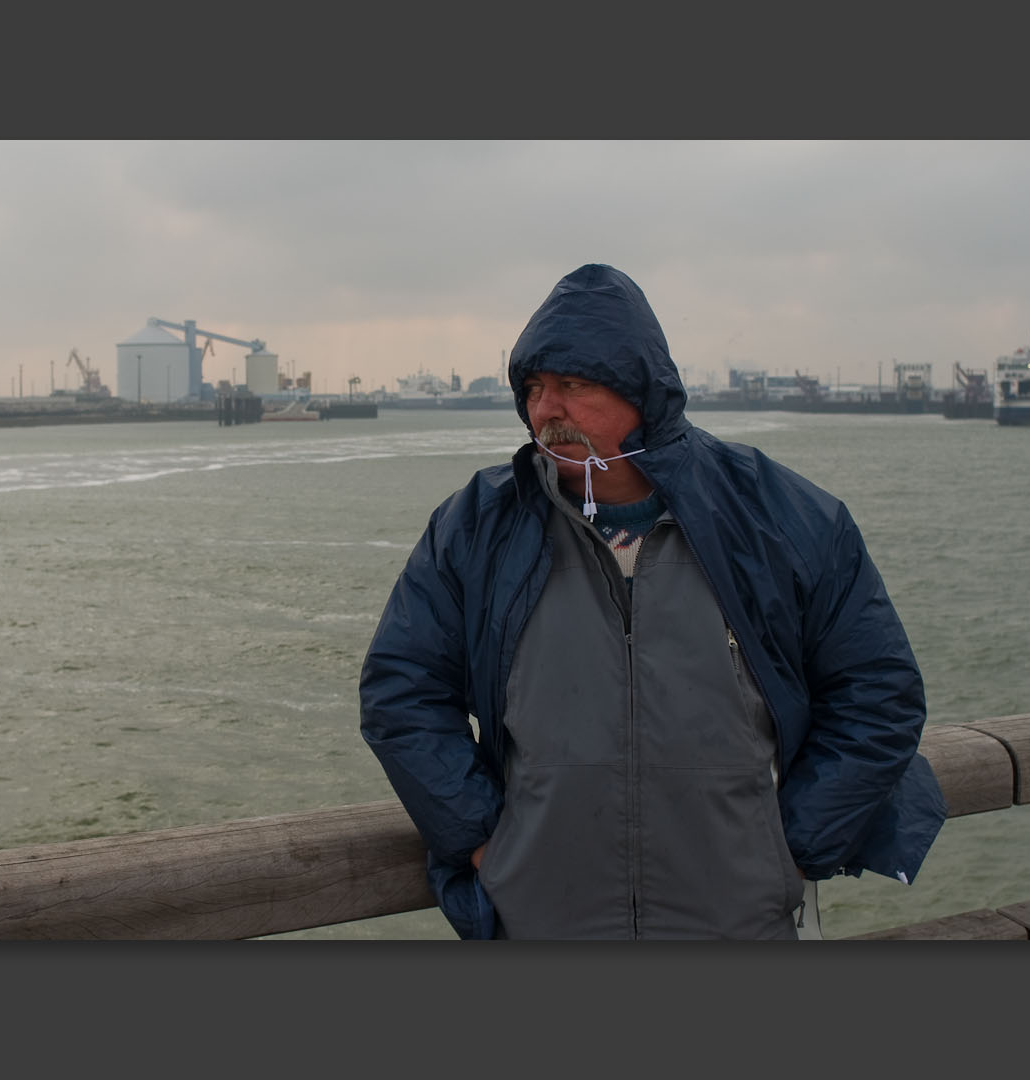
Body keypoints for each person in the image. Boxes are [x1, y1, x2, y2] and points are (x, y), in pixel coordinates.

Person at [359, 263, 946, 940]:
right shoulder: (474, 527)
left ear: (644, 391)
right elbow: (401, 691)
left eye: (575, 386)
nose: (548, 410)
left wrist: (791, 848)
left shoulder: (782, 518)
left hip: (741, 922)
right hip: (546, 921)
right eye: (534, 389)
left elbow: (879, 691)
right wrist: (488, 842)